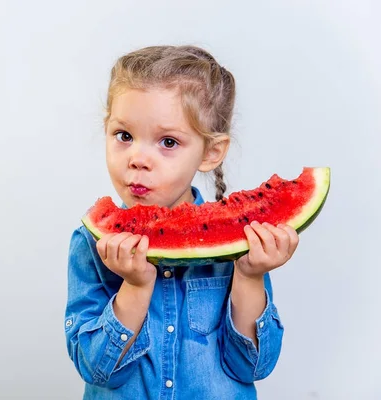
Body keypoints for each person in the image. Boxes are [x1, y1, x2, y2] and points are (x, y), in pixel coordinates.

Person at [63, 45, 299, 399]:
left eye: (168, 141)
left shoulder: (240, 245)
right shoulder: (91, 243)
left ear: (210, 153)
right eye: (124, 136)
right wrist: (135, 286)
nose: (138, 159)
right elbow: (96, 369)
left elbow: (253, 367)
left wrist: (249, 277)